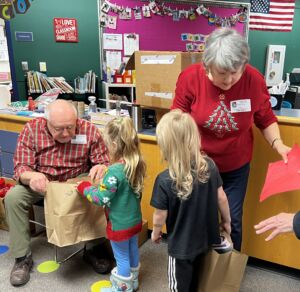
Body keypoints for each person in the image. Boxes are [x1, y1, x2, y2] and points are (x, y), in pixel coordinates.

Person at [171, 27, 290, 251]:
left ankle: (227, 273)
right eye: (222, 73)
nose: (229, 80)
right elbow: (176, 117)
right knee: (198, 217)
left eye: (235, 72)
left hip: (236, 165)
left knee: (232, 220)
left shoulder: (253, 79)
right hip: (200, 162)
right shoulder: (190, 77)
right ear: (206, 66)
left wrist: (278, 144)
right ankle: (198, 267)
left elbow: (265, 118)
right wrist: (185, 149)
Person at [5, 99, 110, 287]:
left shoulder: (89, 130)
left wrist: (101, 167)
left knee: (101, 188)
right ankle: (22, 257)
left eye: (70, 127)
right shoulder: (31, 129)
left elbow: (103, 161)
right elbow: (21, 167)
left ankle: (95, 248)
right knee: (13, 198)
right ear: (47, 123)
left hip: (76, 181)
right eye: (59, 129)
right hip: (44, 183)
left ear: (76, 120)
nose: (66, 133)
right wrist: (32, 176)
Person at [150, 110, 232, 292]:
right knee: (199, 281)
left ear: (165, 145)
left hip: (181, 247)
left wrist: (155, 233)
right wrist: (227, 221)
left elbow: (159, 215)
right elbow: (222, 198)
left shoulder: (164, 179)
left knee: (179, 286)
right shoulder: (210, 166)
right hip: (206, 240)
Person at [77, 116, 146, 292]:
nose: (106, 148)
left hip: (119, 224)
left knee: (121, 256)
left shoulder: (114, 172)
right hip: (134, 220)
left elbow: (101, 198)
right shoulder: (136, 164)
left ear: (114, 145)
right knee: (132, 250)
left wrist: (85, 188)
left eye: (107, 144)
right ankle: (133, 280)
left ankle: (123, 287)